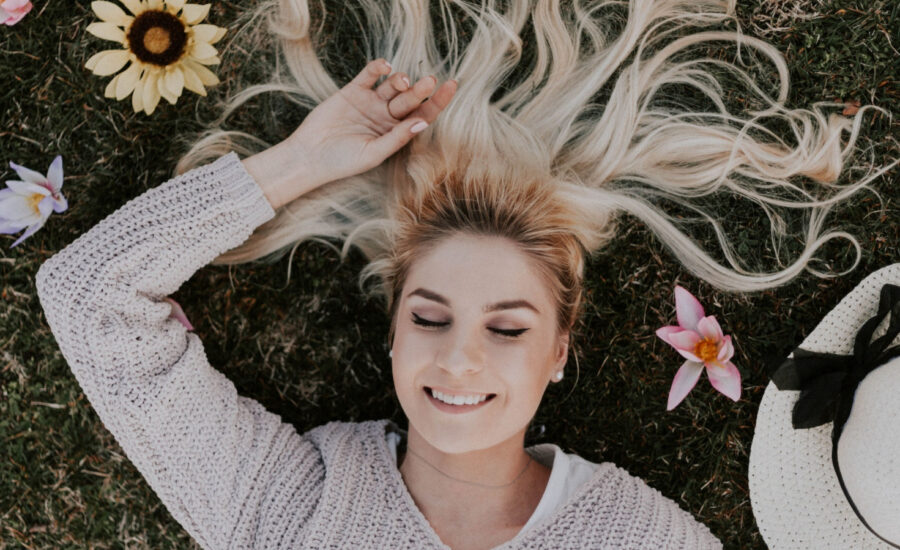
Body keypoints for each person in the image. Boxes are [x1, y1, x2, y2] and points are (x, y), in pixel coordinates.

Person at [36, 0, 890, 548]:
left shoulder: (639, 538)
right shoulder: (291, 508)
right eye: (431, 317)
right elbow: (90, 297)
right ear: (394, 329)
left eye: (509, 327)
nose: (460, 359)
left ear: (561, 350)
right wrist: (296, 163)